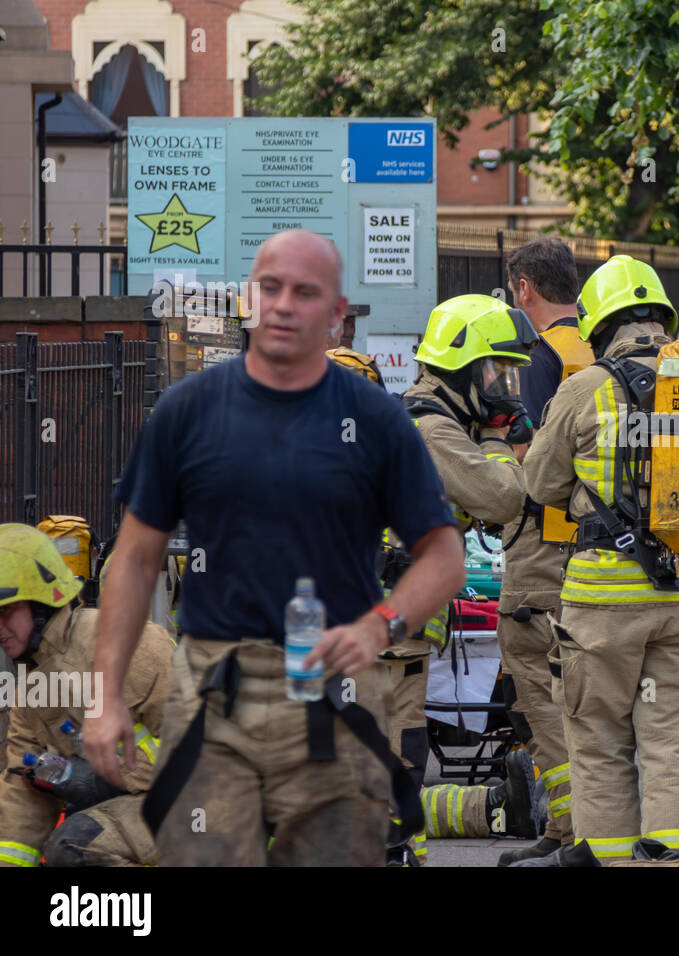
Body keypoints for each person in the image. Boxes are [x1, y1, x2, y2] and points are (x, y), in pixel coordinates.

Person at [87, 229, 467, 866]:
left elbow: (443, 554)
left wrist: (381, 626)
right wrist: (105, 696)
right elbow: (133, 557)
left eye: (305, 292)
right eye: (270, 287)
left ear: (337, 314)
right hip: (215, 692)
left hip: (336, 693)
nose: (285, 304)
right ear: (248, 298)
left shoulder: (375, 421)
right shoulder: (187, 412)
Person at [521, 254, 679, 865]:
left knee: (600, 742)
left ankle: (611, 860)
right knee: (672, 746)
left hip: (603, 598)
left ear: (599, 324)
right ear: (662, 317)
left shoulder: (583, 388)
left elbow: (538, 483)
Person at [325, 340, 537, 862]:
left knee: (397, 750)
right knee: (390, 751)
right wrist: (491, 442)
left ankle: (465, 820)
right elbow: (500, 497)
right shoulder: (425, 428)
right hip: (382, 630)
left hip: (391, 631)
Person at [495, 237, 593, 865]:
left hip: (542, 538)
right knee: (575, 681)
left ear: (523, 288)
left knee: (536, 675)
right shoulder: (591, 347)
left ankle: (570, 828)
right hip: (588, 535)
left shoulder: (540, 354)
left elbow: (534, 457)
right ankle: (575, 827)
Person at [0, 525, 171, 867]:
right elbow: (23, 801)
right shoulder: (29, 693)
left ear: (40, 601)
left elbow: (203, 746)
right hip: (138, 809)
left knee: (74, 843)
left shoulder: (131, 645)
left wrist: (103, 779)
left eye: (5, 611)